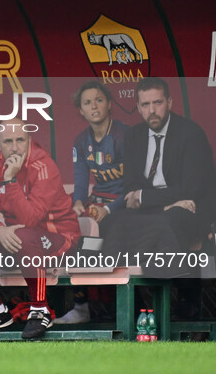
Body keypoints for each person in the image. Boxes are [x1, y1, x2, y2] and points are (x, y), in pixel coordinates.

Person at [0, 118, 81, 341]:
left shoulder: (44, 166)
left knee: (24, 235)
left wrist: (10, 181)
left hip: (60, 239)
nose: (15, 147)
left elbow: (30, 219)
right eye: (8, 141)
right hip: (21, 243)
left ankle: (40, 309)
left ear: (29, 140)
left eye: (20, 140)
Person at [103, 77, 216, 275]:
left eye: (157, 103)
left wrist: (146, 199)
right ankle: (127, 294)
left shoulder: (191, 134)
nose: (152, 110)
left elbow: (190, 189)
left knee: (167, 220)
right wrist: (163, 205)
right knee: (111, 222)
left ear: (169, 103)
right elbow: (130, 187)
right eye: (146, 105)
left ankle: (179, 294)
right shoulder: (133, 136)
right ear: (138, 108)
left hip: (192, 208)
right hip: (159, 208)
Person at [56, 81, 128, 324]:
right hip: (97, 204)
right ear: (81, 110)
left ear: (109, 104)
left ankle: (112, 305)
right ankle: (81, 306)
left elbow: (133, 185)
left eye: (99, 100)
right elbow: (80, 183)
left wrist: (108, 209)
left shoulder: (124, 135)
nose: (94, 106)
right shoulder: (81, 141)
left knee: (102, 234)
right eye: (87, 102)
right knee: (74, 233)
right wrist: (77, 203)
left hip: (124, 204)